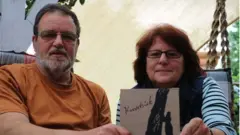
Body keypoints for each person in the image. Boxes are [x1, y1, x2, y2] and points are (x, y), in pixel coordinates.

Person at [0, 4, 130, 135]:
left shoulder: (96, 94)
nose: (58, 42)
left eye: (67, 37)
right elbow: (11, 130)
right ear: (35, 42)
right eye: (49, 35)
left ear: (77, 45)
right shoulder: (9, 77)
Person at [116, 24, 236, 135]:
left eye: (172, 54)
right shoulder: (129, 100)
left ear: (186, 62)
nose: (163, 60)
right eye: (155, 54)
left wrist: (209, 133)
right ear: (144, 62)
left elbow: (224, 129)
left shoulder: (206, 87)